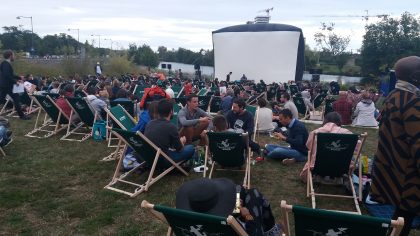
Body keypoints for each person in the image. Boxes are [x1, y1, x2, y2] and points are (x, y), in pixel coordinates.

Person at [370, 56, 420, 236]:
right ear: (415, 77)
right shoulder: (413, 102)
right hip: (409, 176)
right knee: (404, 218)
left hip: (393, 170)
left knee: (401, 218)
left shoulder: (393, 96)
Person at [176, 178, 281, 235]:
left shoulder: (184, 219)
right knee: (254, 193)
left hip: (206, 225)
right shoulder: (226, 224)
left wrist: (236, 207)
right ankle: (270, 230)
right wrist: (247, 215)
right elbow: (254, 232)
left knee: (238, 189)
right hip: (235, 227)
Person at [299, 112, 354, 182]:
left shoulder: (316, 133)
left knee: (314, 154)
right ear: (339, 122)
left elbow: (309, 147)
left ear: (325, 120)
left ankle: (320, 176)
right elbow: (355, 149)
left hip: (318, 166)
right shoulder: (348, 134)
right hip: (341, 166)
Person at [144, 99, 194, 166]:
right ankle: (176, 166)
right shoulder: (171, 126)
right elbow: (179, 149)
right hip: (162, 159)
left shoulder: (150, 123)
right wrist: (182, 141)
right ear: (171, 111)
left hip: (148, 157)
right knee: (190, 148)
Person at [0, 50, 30, 120]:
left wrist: (19, 77)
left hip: (5, 85)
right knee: (16, 99)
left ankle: (22, 115)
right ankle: (22, 116)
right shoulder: (6, 64)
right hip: (7, 86)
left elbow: (10, 75)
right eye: (13, 55)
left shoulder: (5, 64)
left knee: (2, 99)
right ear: (10, 56)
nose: (14, 56)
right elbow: (7, 75)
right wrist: (15, 82)